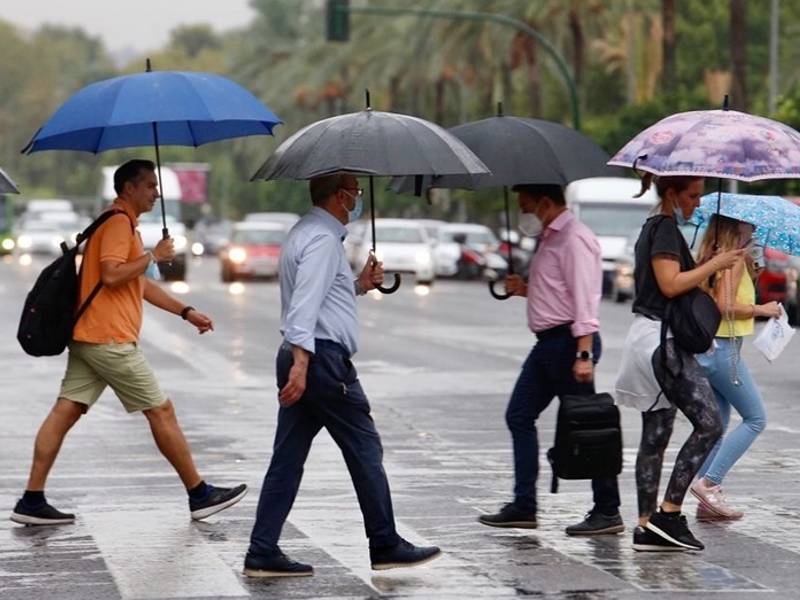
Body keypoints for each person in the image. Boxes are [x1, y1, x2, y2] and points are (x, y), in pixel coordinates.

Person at [10, 159, 247, 526]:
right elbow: (112, 273)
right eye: (150, 186)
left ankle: (31, 499)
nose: (156, 193)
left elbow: (140, 284)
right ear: (129, 189)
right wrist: (154, 256)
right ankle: (199, 494)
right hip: (108, 340)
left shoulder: (120, 223)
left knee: (64, 412)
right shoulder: (119, 223)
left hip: (91, 337)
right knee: (161, 411)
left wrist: (185, 311)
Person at [244, 173, 441, 578]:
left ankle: (262, 549)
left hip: (305, 356)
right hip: (319, 360)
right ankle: (385, 542)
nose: (358, 199)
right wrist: (302, 363)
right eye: (355, 191)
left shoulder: (307, 232)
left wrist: (358, 285)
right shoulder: (320, 240)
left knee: (287, 459)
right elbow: (304, 305)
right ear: (339, 196)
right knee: (365, 449)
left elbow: (323, 295)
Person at [478, 183, 623, 537]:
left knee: (590, 428)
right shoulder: (550, 237)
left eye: (526, 206)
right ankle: (524, 506)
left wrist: (584, 353)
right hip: (547, 344)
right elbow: (557, 291)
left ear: (545, 202)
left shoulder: (575, 238)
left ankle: (607, 510)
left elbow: (585, 299)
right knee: (519, 415)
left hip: (570, 344)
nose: (524, 214)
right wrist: (524, 288)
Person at [615, 175, 744, 552]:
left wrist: (707, 263)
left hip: (644, 339)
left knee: (655, 435)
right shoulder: (666, 227)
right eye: (692, 195)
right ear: (671, 193)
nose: (697, 203)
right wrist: (714, 263)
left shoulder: (654, 227)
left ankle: (645, 527)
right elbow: (670, 285)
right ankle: (668, 515)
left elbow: (672, 282)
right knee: (710, 423)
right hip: (661, 343)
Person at [691, 215, 780, 519]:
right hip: (724, 350)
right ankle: (710, 483)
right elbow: (724, 305)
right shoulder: (732, 260)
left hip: (709, 348)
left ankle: (706, 500)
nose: (754, 229)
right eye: (749, 224)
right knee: (756, 419)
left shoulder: (712, 257)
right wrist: (762, 309)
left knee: (717, 424)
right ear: (735, 227)